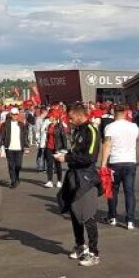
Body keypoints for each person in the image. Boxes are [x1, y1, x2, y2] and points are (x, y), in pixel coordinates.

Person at [57, 105, 101, 267]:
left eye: (71, 117)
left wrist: (67, 158)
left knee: (87, 215)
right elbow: (77, 152)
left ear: (80, 116)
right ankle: (80, 245)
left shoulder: (91, 130)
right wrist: (66, 155)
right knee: (75, 213)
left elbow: (90, 157)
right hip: (74, 176)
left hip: (86, 177)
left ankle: (94, 253)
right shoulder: (77, 130)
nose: (69, 120)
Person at [101, 105, 139, 230]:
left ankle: (112, 217)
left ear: (114, 112)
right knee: (129, 191)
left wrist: (103, 164)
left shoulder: (109, 127)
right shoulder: (133, 126)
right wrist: (138, 158)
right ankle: (130, 220)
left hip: (115, 161)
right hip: (130, 161)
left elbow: (107, 145)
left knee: (113, 190)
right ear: (126, 112)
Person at [0, 108, 29, 188]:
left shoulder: (21, 125)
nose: (15, 116)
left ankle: (17, 177)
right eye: (13, 114)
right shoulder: (5, 124)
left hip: (19, 148)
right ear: (10, 114)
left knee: (18, 165)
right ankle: (13, 181)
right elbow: (1, 135)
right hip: (9, 148)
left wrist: (26, 146)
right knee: (11, 165)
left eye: (16, 114)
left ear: (18, 115)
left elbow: (25, 136)